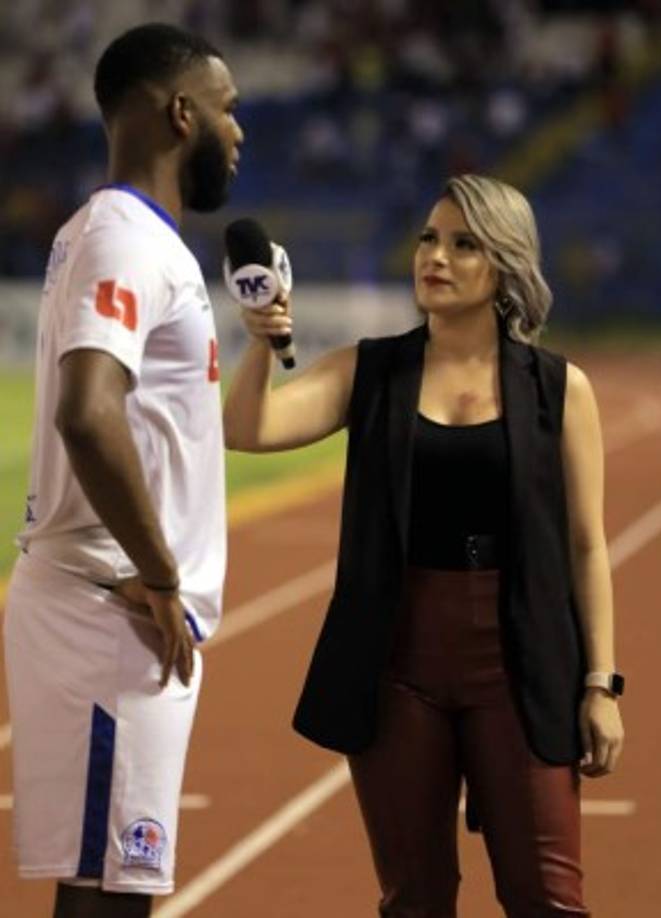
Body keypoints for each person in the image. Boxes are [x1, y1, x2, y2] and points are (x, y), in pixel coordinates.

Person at [223, 173, 625, 917]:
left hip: (521, 664)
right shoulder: (368, 371)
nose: (434, 257)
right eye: (428, 239)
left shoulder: (558, 389)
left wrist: (599, 685)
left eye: (463, 244)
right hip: (395, 666)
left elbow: (584, 547)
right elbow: (247, 431)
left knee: (547, 897)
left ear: (503, 264)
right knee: (416, 898)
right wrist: (260, 345)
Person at [3, 23, 243, 918]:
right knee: (109, 897)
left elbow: (156, 431)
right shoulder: (125, 240)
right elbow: (88, 412)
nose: (239, 132)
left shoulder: (112, 234)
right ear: (181, 114)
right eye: (228, 110)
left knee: (110, 886)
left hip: (109, 609)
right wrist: (160, 573)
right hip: (109, 612)